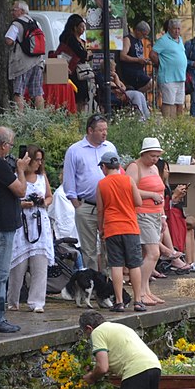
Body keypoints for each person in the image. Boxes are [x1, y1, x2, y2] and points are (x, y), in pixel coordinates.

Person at [63, 114, 117, 271]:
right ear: (90, 130)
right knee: (89, 250)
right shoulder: (75, 150)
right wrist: (76, 204)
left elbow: (117, 173)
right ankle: (92, 287)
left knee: (110, 247)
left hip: (108, 206)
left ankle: (109, 286)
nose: (104, 133)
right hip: (85, 205)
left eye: (106, 129)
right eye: (100, 130)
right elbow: (69, 179)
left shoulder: (110, 147)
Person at [95, 152, 145, 312]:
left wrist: (101, 228)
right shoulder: (128, 180)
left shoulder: (102, 184)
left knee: (116, 265)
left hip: (112, 228)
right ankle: (138, 301)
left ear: (104, 166)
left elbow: (100, 210)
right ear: (118, 166)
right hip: (130, 227)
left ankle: (119, 302)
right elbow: (138, 201)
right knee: (134, 264)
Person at [79, 311, 161, 389]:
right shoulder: (121, 327)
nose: (87, 337)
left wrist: (91, 377)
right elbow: (120, 356)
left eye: (86, 333)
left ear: (89, 328)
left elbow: (102, 368)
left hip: (135, 371)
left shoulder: (97, 332)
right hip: (154, 367)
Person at [8, 145, 54, 313]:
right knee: (18, 265)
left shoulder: (42, 177)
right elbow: (11, 201)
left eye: (41, 160)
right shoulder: (15, 177)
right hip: (22, 223)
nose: (38, 163)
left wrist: (43, 202)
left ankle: (37, 302)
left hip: (39, 222)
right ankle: (13, 300)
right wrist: (24, 204)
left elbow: (50, 196)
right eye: (36, 160)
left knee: (40, 264)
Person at [126, 138, 167, 307]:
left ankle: (146, 290)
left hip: (156, 213)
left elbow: (161, 191)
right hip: (142, 214)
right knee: (153, 252)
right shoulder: (134, 167)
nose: (155, 159)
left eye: (157, 156)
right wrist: (150, 195)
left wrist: (163, 216)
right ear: (143, 154)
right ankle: (140, 292)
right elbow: (130, 189)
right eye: (152, 156)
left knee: (148, 255)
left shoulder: (155, 169)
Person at [0, 128, 29, 332]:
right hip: (2, 226)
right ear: (2, 145)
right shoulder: (0, 165)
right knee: (0, 274)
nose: (10, 149)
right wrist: (21, 169)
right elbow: (21, 190)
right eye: (9, 145)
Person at [5, 1, 46, 112]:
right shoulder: (36, 23)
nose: (12, 12)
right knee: (38, 92)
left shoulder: (16, 24)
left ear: (21, 11)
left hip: (22, 64)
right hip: (37, 62)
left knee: (18, 92)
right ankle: (41, 117)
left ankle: (20, 119)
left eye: (14, 10)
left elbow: (9, 40)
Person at [150, 19, 187, 118]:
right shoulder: (163, 40)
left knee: (179, 103)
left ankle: (178, 125)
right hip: (168, 77)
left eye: (179, 29)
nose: (177, 31)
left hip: (180, 77)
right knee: (168, 103)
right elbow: (152, 54)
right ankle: (168, 124)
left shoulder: (180, 40)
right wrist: (161, 64)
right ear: (169, 29)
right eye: (175, 29)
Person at [55, 14, 93, 107]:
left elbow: (89, 55)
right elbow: (83, 54)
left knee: (83, 97)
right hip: (73, 71)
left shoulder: (82, 41)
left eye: (84, 26)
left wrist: (87, 55)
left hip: (81, 71)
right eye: (81, 26)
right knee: (76, 96)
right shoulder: (70, 39)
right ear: (75, 27)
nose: (84, 29)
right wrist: (86, 55)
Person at [118, 21, 154, 93]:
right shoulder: (128, 39)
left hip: (139, 70)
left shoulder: (139, 41)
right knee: (151, 83)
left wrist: (145, 61)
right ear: (138, 31)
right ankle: (133, 94)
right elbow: (122, 56)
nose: (143, 37)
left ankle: (135, 94)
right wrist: (137, 60)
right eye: (143, 35)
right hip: (131, 71)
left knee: (152, 84)